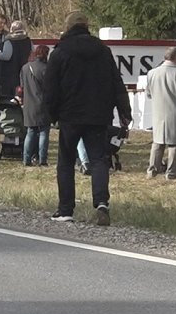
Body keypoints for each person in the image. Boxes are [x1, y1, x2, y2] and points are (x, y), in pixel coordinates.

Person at [42, 12, 124, 225]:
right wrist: (124, 111)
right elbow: (116, 82)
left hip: (70, 115)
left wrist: (50, 113)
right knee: (98, 160)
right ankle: (102, 203)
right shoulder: (103, 51)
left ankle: (66, 209)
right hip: (98, 115)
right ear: (87, 27)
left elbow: (51, 87)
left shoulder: (60, 52)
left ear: (67, 27)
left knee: (66, 162)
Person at [146, 46, 176, 180]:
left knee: (157, 143)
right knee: (175, 144)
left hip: (158, 114)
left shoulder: (152, 73)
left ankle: (152, 171)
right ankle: (171, 173)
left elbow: (148, 94)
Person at [21, 45, 50, 167]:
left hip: (29, 104)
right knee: (44, 132)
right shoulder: (47, 69)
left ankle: (26, 159)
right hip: (43, 103)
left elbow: (22, 86)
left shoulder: (25, 68)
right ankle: (42, 159)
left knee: (30, 131)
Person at [0, 20, 32, 106]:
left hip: (10, 74)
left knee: (10, 98)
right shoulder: (28, 41)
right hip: (25, 71)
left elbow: (6, 56)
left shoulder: (9, 41)